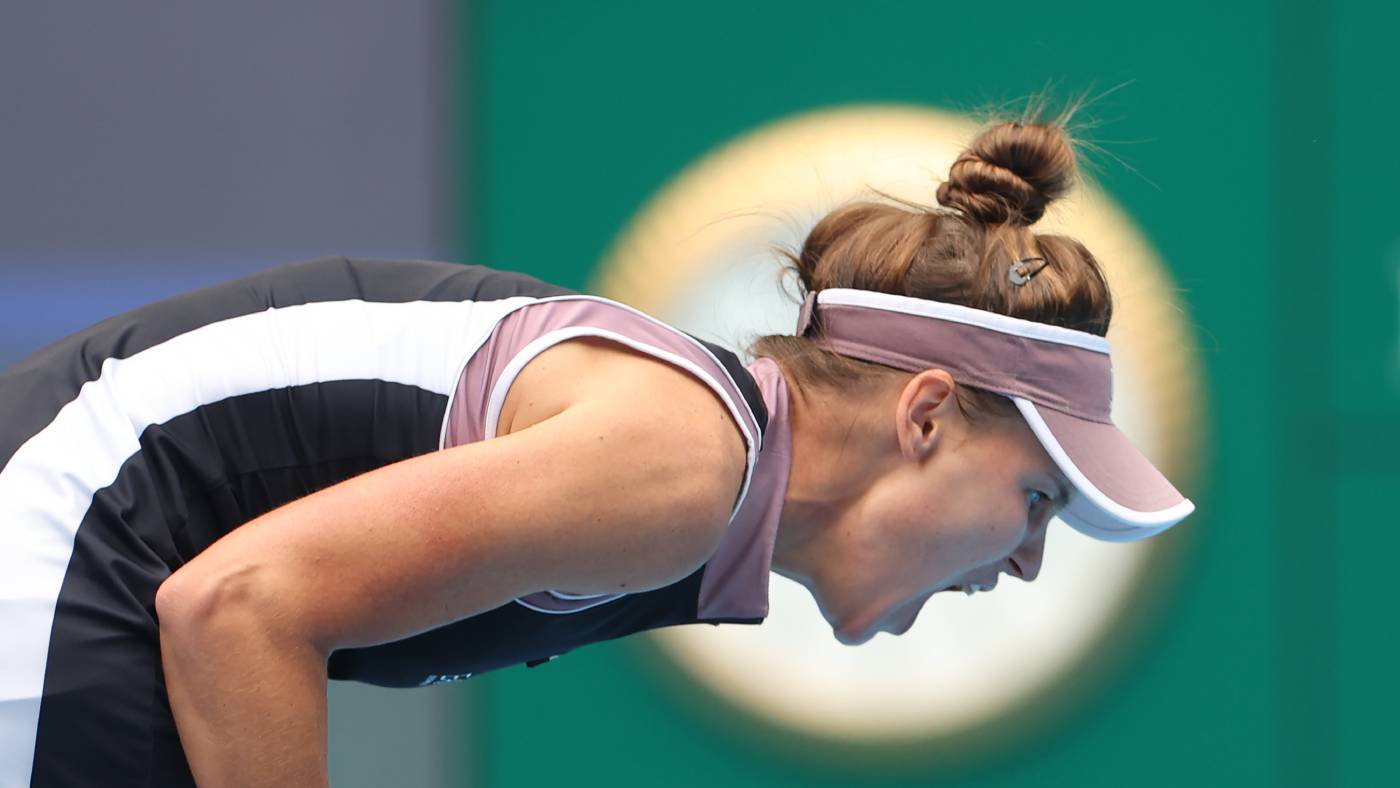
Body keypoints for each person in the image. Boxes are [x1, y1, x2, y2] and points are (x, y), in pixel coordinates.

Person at [0, 117, 1193, 787]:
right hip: (67, 528)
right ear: (923, 416)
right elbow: (237, 606)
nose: (1028, 558)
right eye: (1036, 496)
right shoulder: (681, 468)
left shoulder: (694, 483)